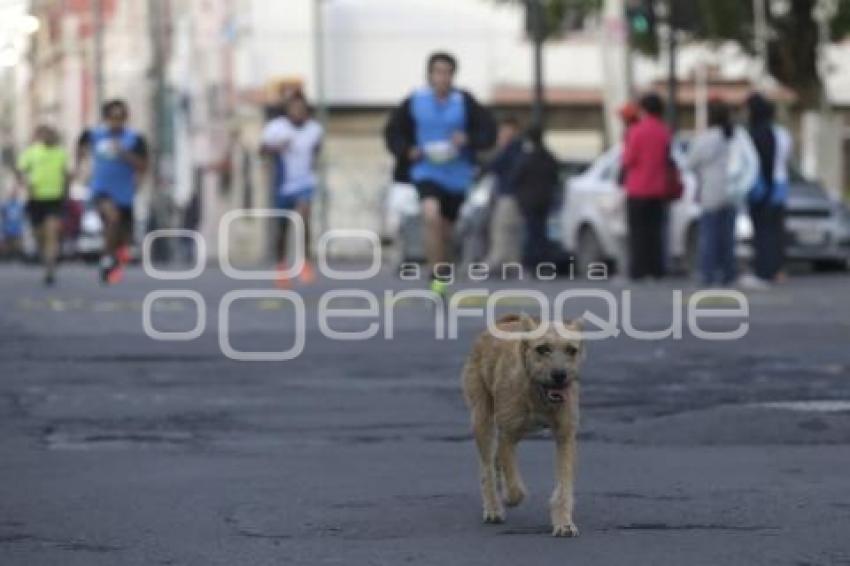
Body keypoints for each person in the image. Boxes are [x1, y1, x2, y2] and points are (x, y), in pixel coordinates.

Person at [384, 51, 497, 294]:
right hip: (426, 170)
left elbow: (489, 133)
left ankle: (444, 265)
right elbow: (393, 132)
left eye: (447, 72)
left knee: (447, 230)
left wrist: (467, 139)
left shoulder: (464, 102)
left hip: (457, 174)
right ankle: (436, 276)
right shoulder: (415, 100)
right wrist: (407, 150)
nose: (442, 77)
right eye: (437, 72)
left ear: (453, 75)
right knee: (430, 214)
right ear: (430, 75)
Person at [76, 99, 148, 284]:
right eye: (112, 117)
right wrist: (80, 166)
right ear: (106, 117)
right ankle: (107, 258)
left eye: (121, 117)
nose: (116, 121)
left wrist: (124, 154)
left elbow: (143, 165)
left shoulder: (134, 139)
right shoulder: (95, 135)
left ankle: (110, 259)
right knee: (112, 218)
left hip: (125, 193)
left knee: (123, 238)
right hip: (101, 189)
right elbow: (80, 148)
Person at [261, 93, 323, 288]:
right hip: (283, 184)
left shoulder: (314, 129)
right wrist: (277, 148)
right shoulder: (276, 128)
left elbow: (316, 150)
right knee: (283, 227)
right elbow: (261, 150)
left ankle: (304, 262)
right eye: (294, 109)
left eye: (301, 109)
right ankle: (281, 266)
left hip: (304, 182)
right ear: (288, 111)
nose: (298, 113)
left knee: (304, 218)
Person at [621, 93, 673, 280]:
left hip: (637, 188)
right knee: (655, 232)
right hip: (658, 189)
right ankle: (656, 269)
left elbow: (628, 159)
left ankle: (638, 269)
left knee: (637, 232)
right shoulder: (664, 131)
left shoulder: (636, 131)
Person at [685, 100, 737, 287]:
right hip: (732, 191)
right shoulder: (733, 137)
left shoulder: (706, 139)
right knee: (728, 236)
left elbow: (690, 162)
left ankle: (708, 273)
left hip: (711, 191)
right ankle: (728, 273)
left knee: (709, 236)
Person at [746, 93, 791, 285]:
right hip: (781, 185)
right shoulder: (782, 133)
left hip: (765, 186)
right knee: (776, 232)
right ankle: (777, 269)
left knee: (762, 231)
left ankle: (763, 271)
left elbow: (764, 163)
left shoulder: (759, 133)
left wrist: (764, 187)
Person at [15, 125, 69, 285]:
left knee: (52, 233)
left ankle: (50, 268)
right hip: (36, 198)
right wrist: (25, 184)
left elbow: (66, 174)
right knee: (39, 235)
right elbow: (20, 170)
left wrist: (66, 192)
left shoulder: (61, 153)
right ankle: (45, 257)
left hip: (54, 199)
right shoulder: (32, 152)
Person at [513, 126, 560, 268]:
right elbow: (555, 177)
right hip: (545, 199)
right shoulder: (549, 157)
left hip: (529, 201)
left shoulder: (526, 158)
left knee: (531, 232)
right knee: (541, 231)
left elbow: (516, 177)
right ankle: (543, 262)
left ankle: (532, 262)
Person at [483, 116, 524, 269]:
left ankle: (494, 262)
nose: (501, 134)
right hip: (506, 194)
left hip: (509, 195)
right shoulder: (516, 149)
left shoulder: (513, 149)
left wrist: (501, 148)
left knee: (501, 229)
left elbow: (492, 165)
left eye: (504, 131)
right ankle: (513, 264)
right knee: (510, 232)